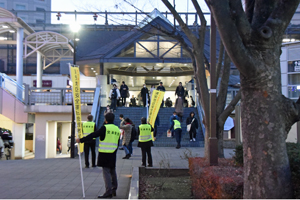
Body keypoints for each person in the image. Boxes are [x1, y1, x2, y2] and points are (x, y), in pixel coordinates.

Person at [76, 113, 120, 198]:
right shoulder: (117, 129)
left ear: (106, 120)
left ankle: (108, 191)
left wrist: (81, 140)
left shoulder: (105, 128)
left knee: (106, 172)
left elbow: (93, 135)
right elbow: (117, 142)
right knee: (112, 171)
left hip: (104, 153)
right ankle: (114, 189)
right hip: (113, 153)